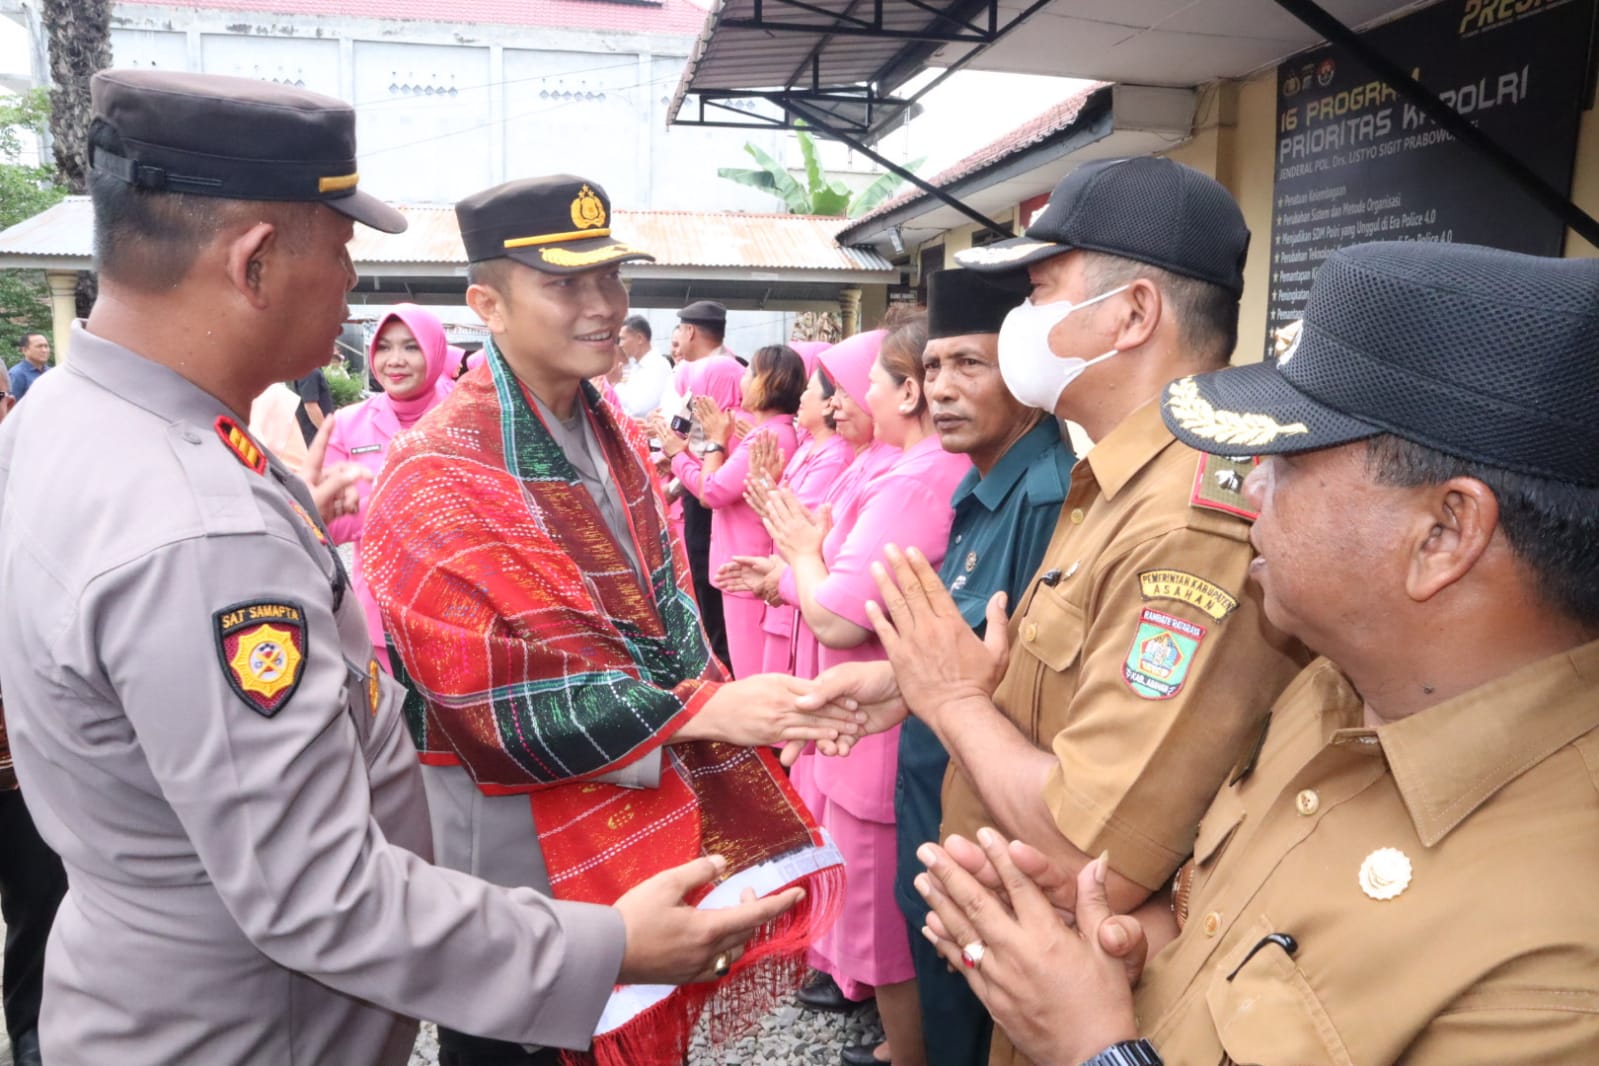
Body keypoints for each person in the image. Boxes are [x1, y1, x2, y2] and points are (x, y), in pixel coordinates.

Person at [0, 70, 812, 1066]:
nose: (352, 284)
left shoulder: (68, 420)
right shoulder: (208, 531)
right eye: (341, 251)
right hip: (252, 1025)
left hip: (178, 979)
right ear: (256, 261)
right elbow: (315, 889)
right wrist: (612, 947)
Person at [910, 239, 1599, 1065]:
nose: (1251, 485)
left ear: (1444, 534)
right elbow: (1220, 929)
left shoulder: (1558, 953)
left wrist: (1093, 1049)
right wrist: (1137, 953)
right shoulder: (1335, 697)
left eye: (1287, 457)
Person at [807, 157, 1307, 1066]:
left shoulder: (1191, 519)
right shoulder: (1115, 477)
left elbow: (1095, 851)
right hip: (1036, 975)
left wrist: (954, 705)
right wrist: (933, 686)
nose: (1017, 328)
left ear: (1133, 314)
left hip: (1107, 999)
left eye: (1039, 293)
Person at [361, 174, 853, 1066]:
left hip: (640, 786)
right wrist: (703, 713)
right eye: (565, 284)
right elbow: (472, 686)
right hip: (511, 820)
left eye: (612, 280)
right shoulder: (432, 469)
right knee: (525, 1031)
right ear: (487, 304)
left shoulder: (614, 434)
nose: (602, 306)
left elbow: (664, 614)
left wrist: (736, 702)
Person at [766, 316, 971, 1066]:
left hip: (879, 714)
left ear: (904, 391)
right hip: (864, 702)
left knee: (885, 907)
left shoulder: (920, 476)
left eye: (870, 383)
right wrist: (804, 559)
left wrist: (797, 555)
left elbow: (841, 613)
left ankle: (904, 1050)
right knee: (863, 892)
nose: (857, 399)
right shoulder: (897, 465)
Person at [893, 268, 1075, 1066]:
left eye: (969, 365)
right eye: (931, 368)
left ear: (1026, 381)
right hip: (943, 814)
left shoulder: (1044, 497)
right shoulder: (985, 489)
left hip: (987, 839)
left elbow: (1035, 697)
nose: (941, 388)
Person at [658, 345, 805, 678]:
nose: (743, 382)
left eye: (750, 373)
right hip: (744, 562)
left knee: (750, 672)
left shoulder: (767, 437)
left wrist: (699, 447)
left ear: (766, 382)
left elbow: (711, 491)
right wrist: (687, 458)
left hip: (747, 564)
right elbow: (718, 482)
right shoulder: (766, 433)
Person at [320, 303, 452, 662]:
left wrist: (376, 503)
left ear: (435, 349)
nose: (395, 360)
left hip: (456, 615)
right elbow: (329, 525)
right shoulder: (347, 424)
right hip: (379, 615)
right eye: (384, 346)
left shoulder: (465, 416)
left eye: (411, 347)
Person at [717, 345, 854, 676]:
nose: (801, 397)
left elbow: (795, 522)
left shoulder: (834, 455)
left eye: (809, 389)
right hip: (784, 580)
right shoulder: (808, 445)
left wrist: (765, 487)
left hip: (796, 581)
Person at [667, 299, 740, 664]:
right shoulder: (726, 367)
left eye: (679, 330)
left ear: (690, 331)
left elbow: (682, 435)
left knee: (708, 580)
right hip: (702, 482)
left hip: (703, 485)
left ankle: (719, 660)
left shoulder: (712, 372)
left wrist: (675, 463)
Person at [615, 314, 673, 418]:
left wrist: (616, 384)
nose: (620, 344)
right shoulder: (637, 366)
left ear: (639, 338)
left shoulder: (657, 365)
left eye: (623, 339)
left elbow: (639, 410)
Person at [291, 363, 334, 445]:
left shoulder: (310, 370)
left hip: (314, 433)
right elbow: (310, 406)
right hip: (314, 434)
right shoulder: (310, 371)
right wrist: (327, 434)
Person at [7, 335, 49, 404]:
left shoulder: (50, 372)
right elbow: (11, 405)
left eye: (46, 346)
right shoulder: (17, 374)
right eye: (39, 346)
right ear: (24, 350)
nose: (44, 350)